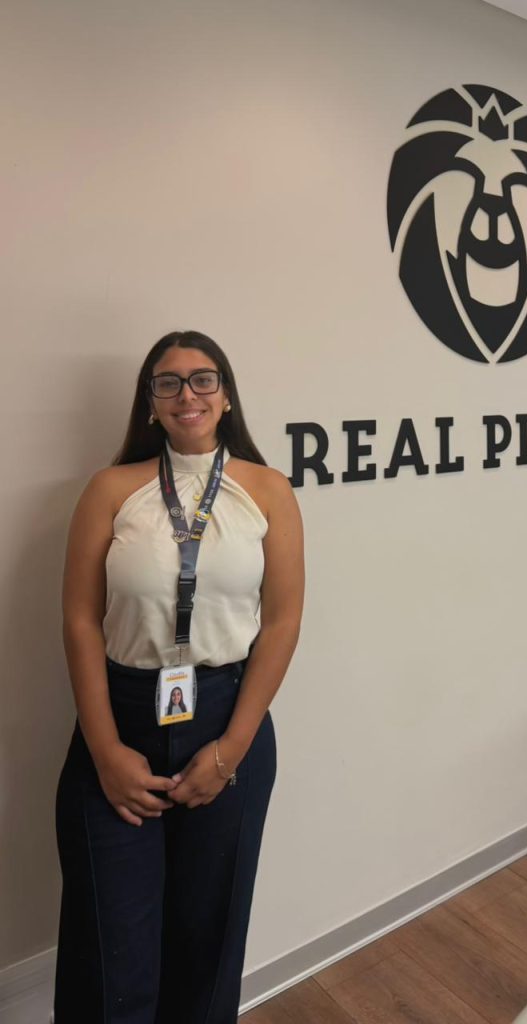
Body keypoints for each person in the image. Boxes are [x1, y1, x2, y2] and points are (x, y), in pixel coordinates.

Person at [54, 330, 304, 1024]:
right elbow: (80, 621)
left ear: (225, 395)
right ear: (150, 402)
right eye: (167, 382)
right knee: (110, 947)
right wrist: (105, 751)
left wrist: (230, 752)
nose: (186, 394)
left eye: (202, 379)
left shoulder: (268, 491)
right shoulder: (111, 490)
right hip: (121, 716)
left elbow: (282, 623)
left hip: (227, 714)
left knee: (207, 939)